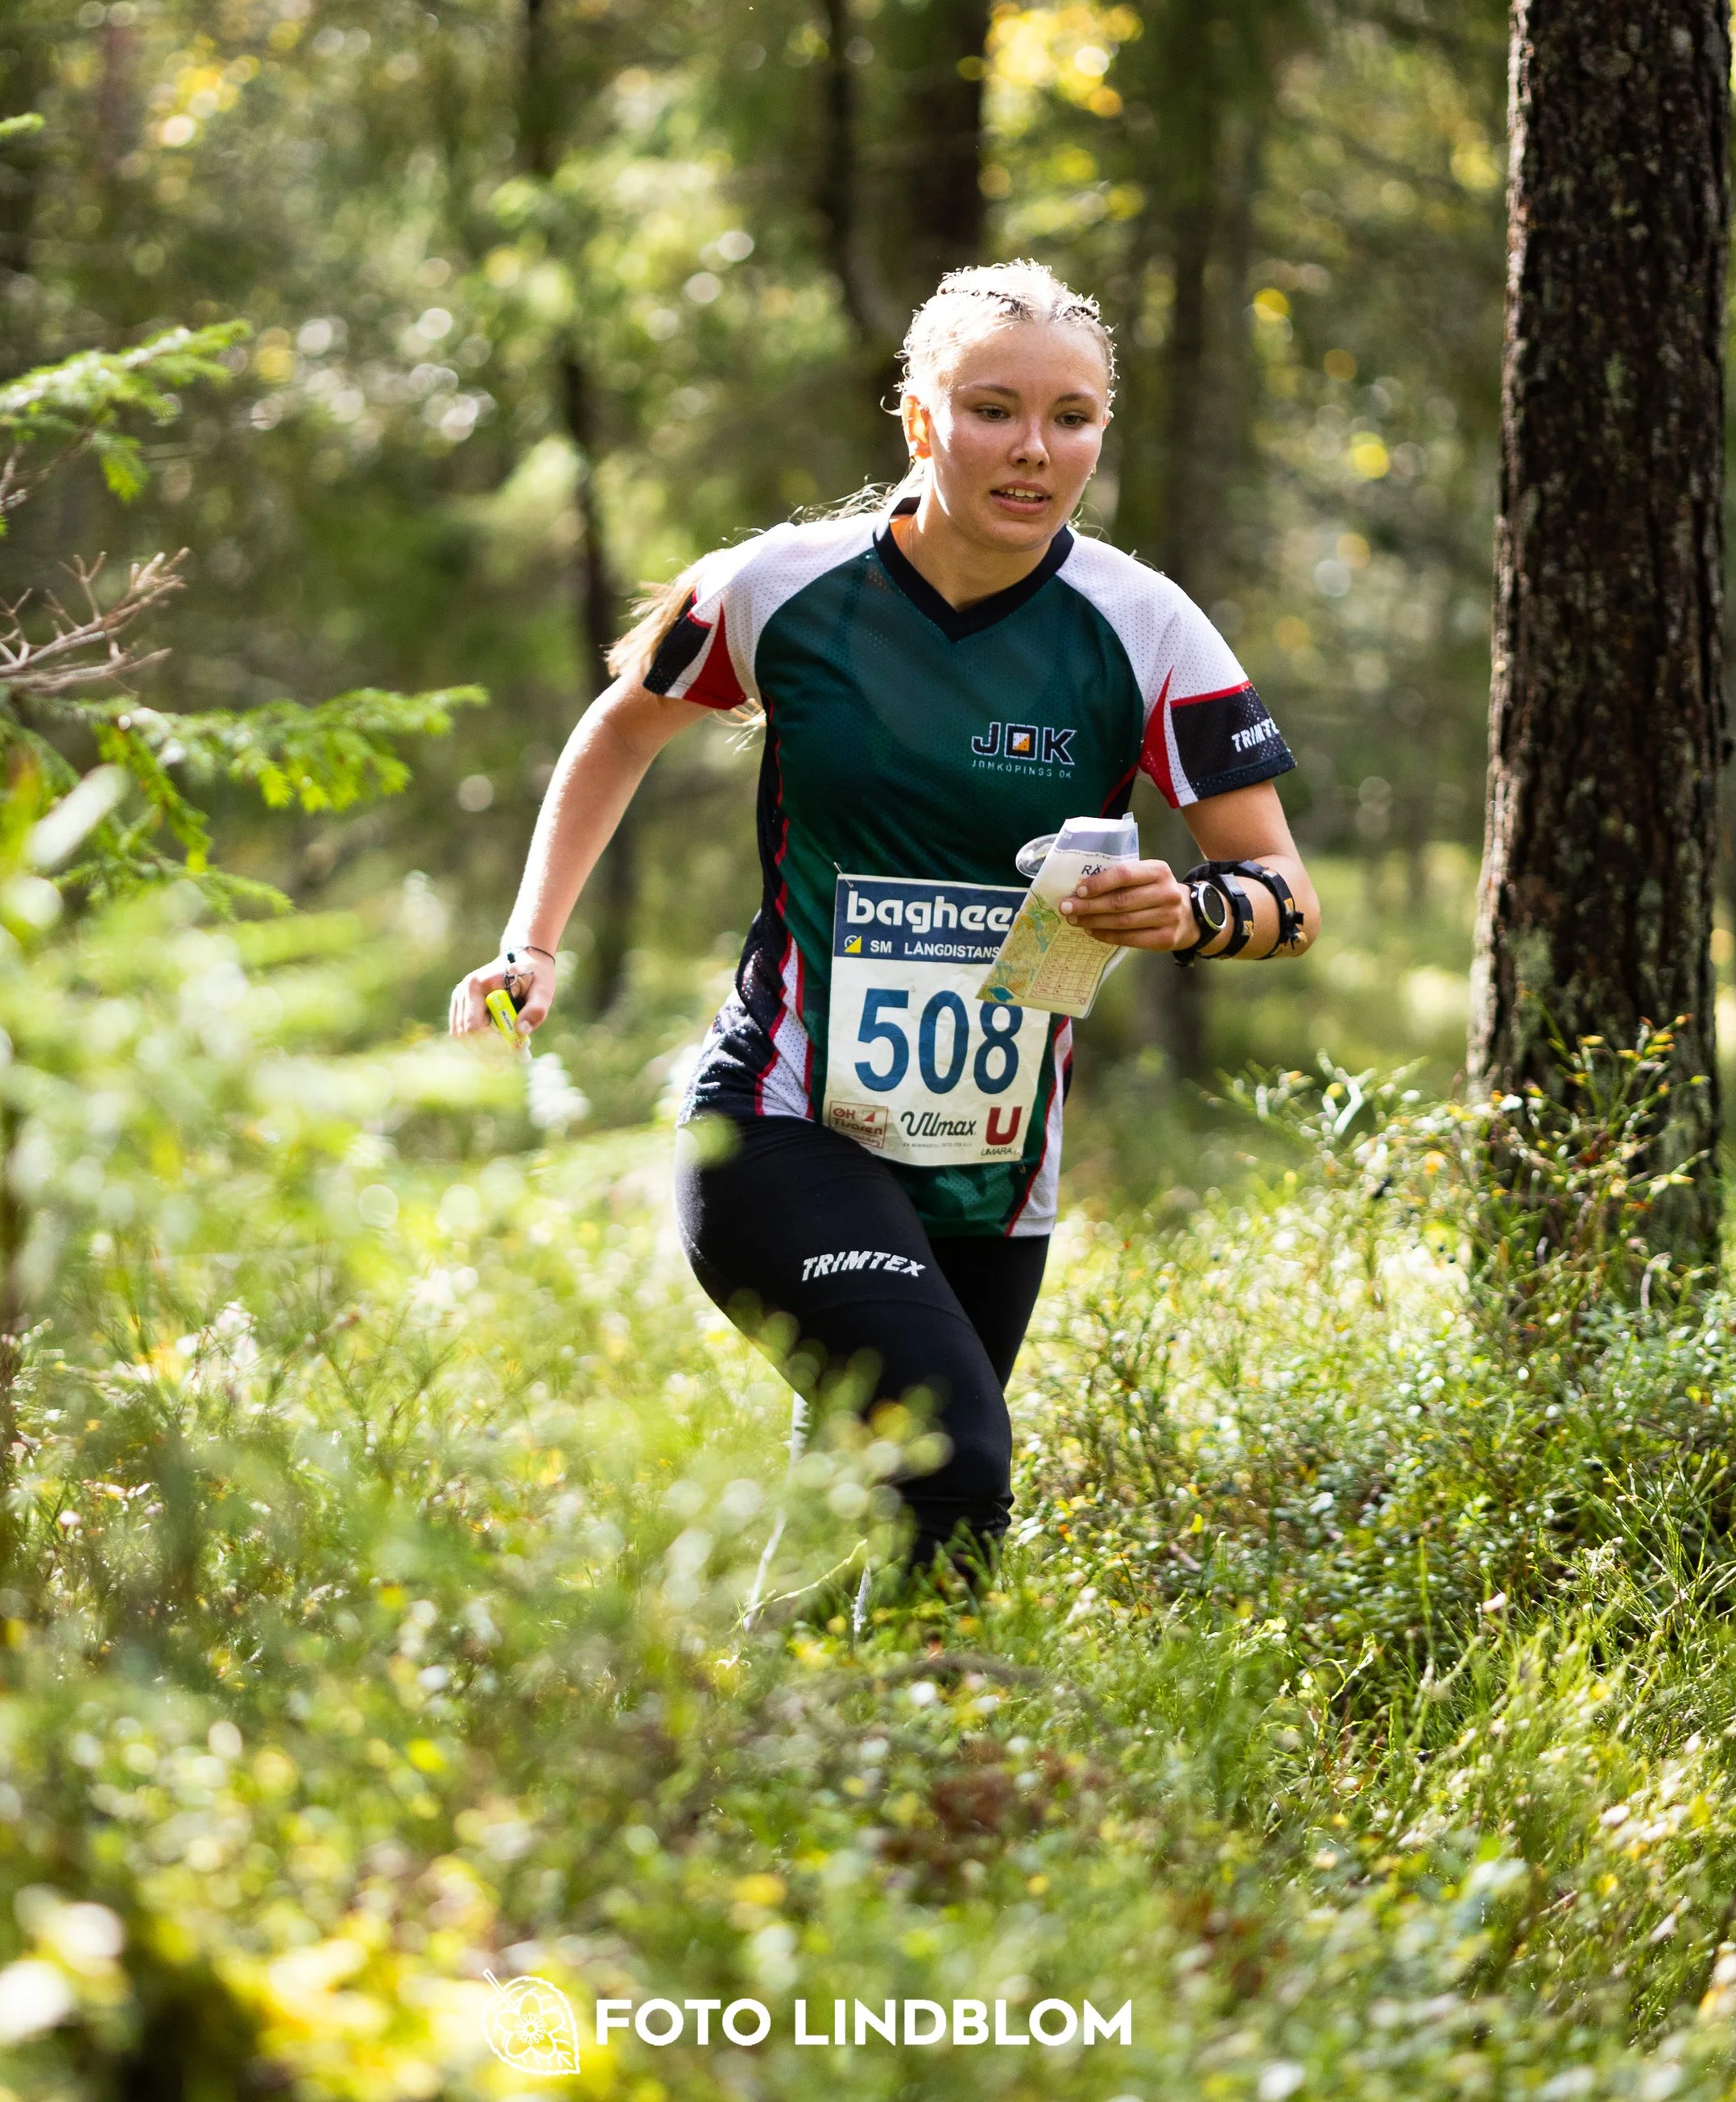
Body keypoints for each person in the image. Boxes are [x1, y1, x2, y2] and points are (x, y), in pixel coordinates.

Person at [449, 258, 1319, 1592]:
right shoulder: (778, 586)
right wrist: (533, 941)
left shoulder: (1147, 627)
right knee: (955, 1460)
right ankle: (936, 1780)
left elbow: (1282, 897)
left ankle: (798, 1764)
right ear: (919, 420)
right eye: (992, 409)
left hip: (993, 1155)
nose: (1034, 449)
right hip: (779, 1120)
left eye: (1073, 417)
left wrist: (1188, 912)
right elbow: (621, 725)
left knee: (864, 1516)